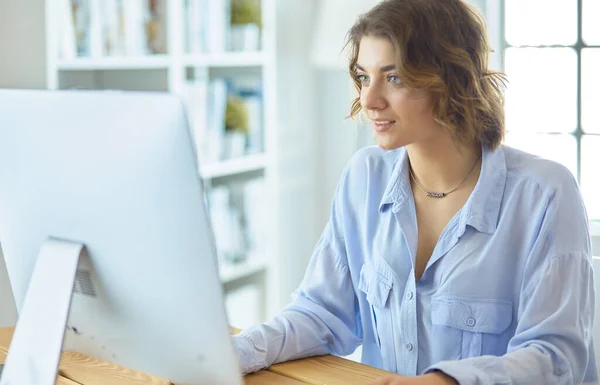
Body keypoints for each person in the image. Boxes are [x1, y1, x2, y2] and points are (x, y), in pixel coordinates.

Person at [232, 0, 597, 384]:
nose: (370, 100)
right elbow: (321, 312)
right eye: (363, 76)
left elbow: (557, 358)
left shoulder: (545, 195)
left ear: (451, 79)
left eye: (394, 78)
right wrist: (238, 352)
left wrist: (443, 382)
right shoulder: (364, 176)